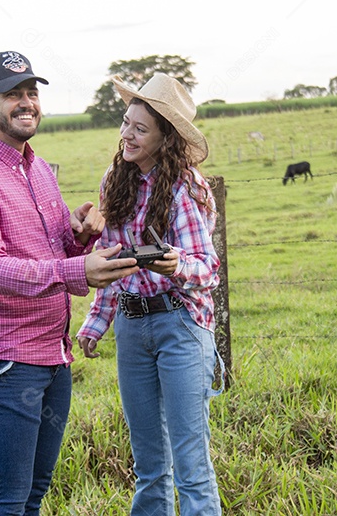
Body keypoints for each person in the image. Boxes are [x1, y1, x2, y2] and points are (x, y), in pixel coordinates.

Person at [0, 50, 139, 516]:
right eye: (13, 94)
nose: (26, 103)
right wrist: (77, 270)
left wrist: (79, 238)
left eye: (32, 92)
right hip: (3, 362)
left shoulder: (39, 169)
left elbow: (54, 254)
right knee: (6, 499)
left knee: (32, 492)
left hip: (52, 355)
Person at [77, 72, 223, 516]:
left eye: (140, 129)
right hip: (132, 326)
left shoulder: (185, 186)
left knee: (191, 465)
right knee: (149, 466)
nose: (127, 134)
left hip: (180, 325)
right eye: (126, 123)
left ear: (165, 138)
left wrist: (176, 264)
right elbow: (112, 257)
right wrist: (96, 323)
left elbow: (208, 268)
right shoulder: (115, 179)